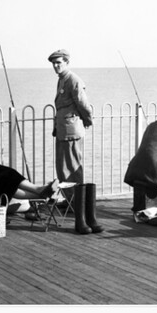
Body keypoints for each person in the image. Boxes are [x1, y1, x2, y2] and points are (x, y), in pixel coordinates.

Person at [47, 49, 104, 235]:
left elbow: (82, 103)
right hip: (63, 130)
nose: (56, 66)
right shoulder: (62, 79)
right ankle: (74, 204)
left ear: (67, 62)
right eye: (54, 63)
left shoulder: (73, 79)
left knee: (72, 168)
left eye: (59, 62)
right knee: (63, 169)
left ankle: (81, 210)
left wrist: (88, 119)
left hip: (71, 130)